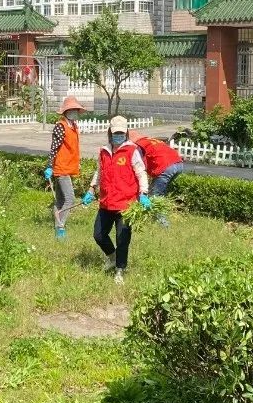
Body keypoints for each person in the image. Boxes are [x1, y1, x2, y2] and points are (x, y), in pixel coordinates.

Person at [82, 115, 150, 284]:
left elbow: (141, 173)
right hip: (106, 202)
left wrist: (143, 193)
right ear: (110, 133)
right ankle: (112, 257)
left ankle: (120, 269)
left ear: (126, 133)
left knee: (122, 239)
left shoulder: (132, 151)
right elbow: (99, 171)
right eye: (115, 133)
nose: (118, 136)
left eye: (121, 133)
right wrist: (91, 189)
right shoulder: (104, 151)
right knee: (99, 235)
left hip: (126, 204)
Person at [44, 96, 86, 239]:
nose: (74, 112)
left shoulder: (73, 126)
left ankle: (58, 227)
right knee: (70, 199)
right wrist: (49, 166)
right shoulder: (61, 126)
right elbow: (54, 148)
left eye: (75, 110)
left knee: (60, 200)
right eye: (71, 110)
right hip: (61, 168)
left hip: (68, 167)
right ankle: (60, 226)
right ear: (66, 112)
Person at [129, 131, 184, 196]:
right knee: (162, 189)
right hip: (178, 163)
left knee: (155, 195)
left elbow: (138, 163)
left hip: (165, 166)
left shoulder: (138, 145)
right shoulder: (151, 140)